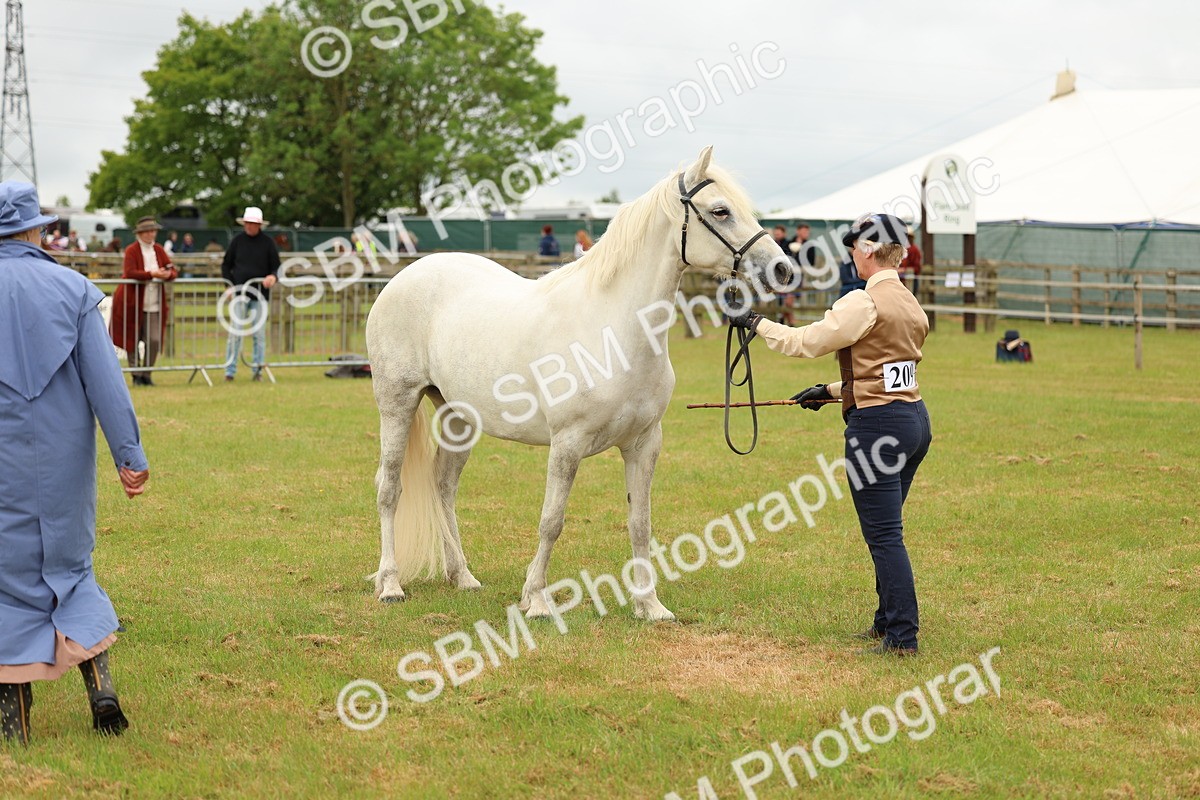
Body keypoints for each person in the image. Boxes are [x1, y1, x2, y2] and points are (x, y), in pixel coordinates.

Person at [729, 213, 931, 657]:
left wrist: (755, 323)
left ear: (870, 250)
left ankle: (902, 637)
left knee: (884, 536)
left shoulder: (863, 301)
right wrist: (832, 391)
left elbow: (807, 342)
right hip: (914, 420)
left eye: (855, 246)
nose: (851, 254)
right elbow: (889, 372)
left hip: (878, 428)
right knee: (888, 531)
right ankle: (886, 623)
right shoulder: (911, 303)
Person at [0, 181, 149, 745]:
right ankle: (100, 689)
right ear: (35, 229)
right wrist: (129, 457)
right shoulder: (76, 289)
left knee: (6, 581)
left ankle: (15, 723)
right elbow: (106, 383)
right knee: (71, 568)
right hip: (64, 458)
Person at [111, 217, 178, 386]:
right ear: (140, 233)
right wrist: (152, 274)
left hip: (154, 302)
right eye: (147, 231)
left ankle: (147, 373)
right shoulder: (132, 250)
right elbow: (130, 272)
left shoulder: (159, 250)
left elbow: (172, 270)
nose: (151, 234)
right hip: (132, 302)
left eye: (153, 230)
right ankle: (136, 374)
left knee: (154, 339)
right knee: (131, 338)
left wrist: (168, 274)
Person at [221, 206, 280, 382]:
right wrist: (229, 286)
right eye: (247, 223)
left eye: (253, 223)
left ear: (259, 225)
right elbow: (226, 265)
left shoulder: (268, 243)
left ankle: (258, 370)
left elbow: (276, 266)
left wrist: (273, 277)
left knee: (259, 335)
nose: (249, 226)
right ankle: (230, 371)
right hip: (240, 294)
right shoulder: (237, 241)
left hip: (260, 296)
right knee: (235, 333)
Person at [901, 226, 922, 297]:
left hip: (911, 280)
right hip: (901, 281)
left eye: (908, 237)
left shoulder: (914, 250)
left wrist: (904, 270)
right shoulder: (900, 249)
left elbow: (917, 268)